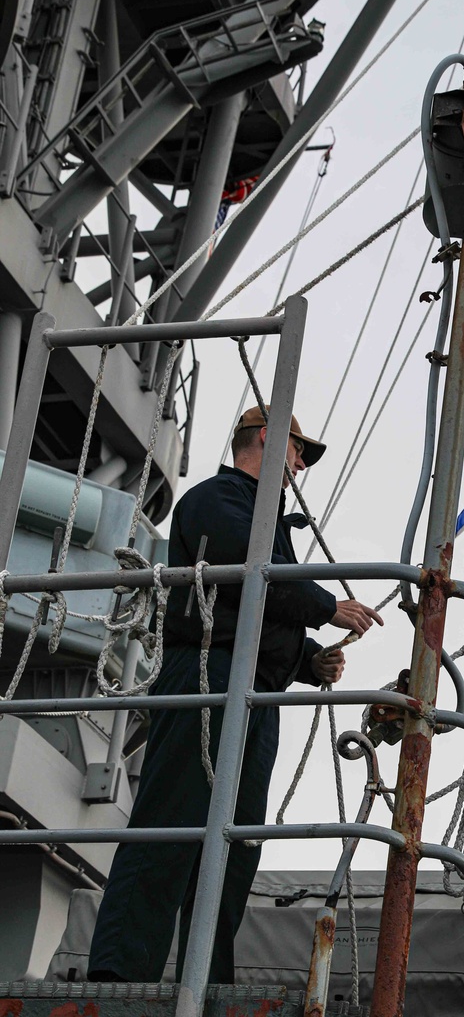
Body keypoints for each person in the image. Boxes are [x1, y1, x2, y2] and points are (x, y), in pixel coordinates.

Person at [87, 406, 382, 984]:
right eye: (301, 451)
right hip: (206, 678)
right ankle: (119, 975)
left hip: (254, 693)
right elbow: (252, 570)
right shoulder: (217, 499)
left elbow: (255, 611)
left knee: (236, 842)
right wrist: (327, 607)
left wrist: (306, 659)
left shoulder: (265, 517)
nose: (302, 465)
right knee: (170, 826)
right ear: (270, 441)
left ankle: (207, 978)